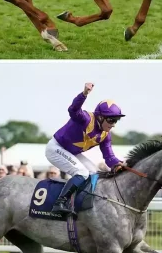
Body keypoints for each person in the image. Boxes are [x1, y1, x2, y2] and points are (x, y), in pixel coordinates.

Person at [46, 82, 125, 216]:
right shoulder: (86, 119)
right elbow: (73, 110)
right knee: (82, 172)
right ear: (100, 117)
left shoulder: (106, 135)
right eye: (111, 120)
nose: (114, 125)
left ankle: (78, 202)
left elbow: (109, 157)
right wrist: (84, 94)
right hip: (56, 148)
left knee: (94, 172)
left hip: (71, 152)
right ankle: (59, 203)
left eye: (116, 120)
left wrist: (118, 164)